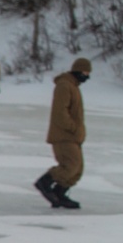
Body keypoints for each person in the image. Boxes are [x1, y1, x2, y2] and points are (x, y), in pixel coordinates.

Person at [35, 58, 92, 210]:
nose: (87, 76)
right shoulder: (64, 86)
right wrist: (73, 128)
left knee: (77, 169)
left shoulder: (73, 86)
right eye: (86, 73)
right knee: (70, 165)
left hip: (73, 137)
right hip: (64, 135)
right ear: (78, 70)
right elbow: (60, 113)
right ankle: (45, 182)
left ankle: (59, 193)